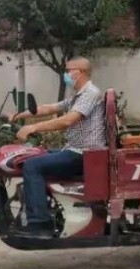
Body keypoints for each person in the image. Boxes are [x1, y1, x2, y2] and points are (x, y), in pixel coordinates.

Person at [11, 57, 106, 239]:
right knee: (35, 154)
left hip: (84, 154)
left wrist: (34, 127)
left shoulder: (90, 93)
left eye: (69, 70)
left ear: (81, 72)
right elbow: (48, 108)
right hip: (75, 150)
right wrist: (16, 116)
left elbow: (68, 120)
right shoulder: (77, 96)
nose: (66, 74)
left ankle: (39, 223)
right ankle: (42, 204)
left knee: (32, 166)